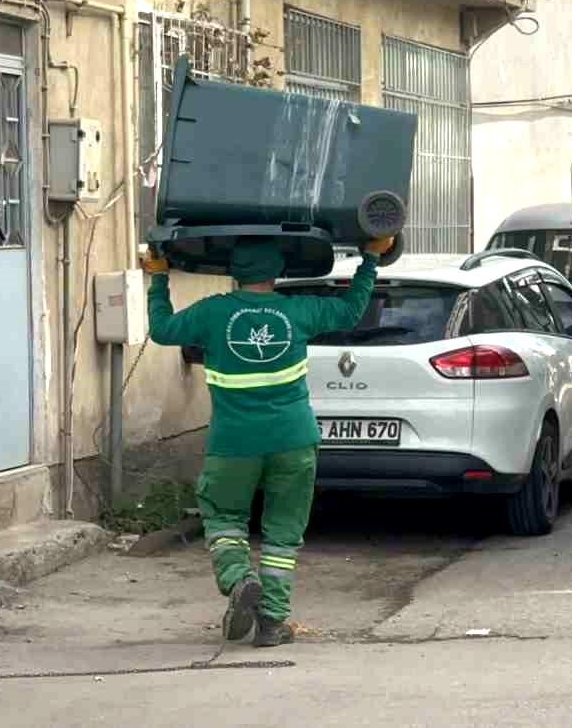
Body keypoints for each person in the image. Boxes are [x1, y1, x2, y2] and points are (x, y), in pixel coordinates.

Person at [142, 234, 395, 645]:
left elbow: (163, 329)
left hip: (234, 443)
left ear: (233, 273)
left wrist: (158, 278)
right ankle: (273, 622)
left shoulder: (212, 312)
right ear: (277, 272)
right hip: (293, 440)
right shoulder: (298, 311)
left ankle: (239, 578)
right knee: (282, 534)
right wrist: (369, 258)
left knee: (224, 518)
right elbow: (351, 311)